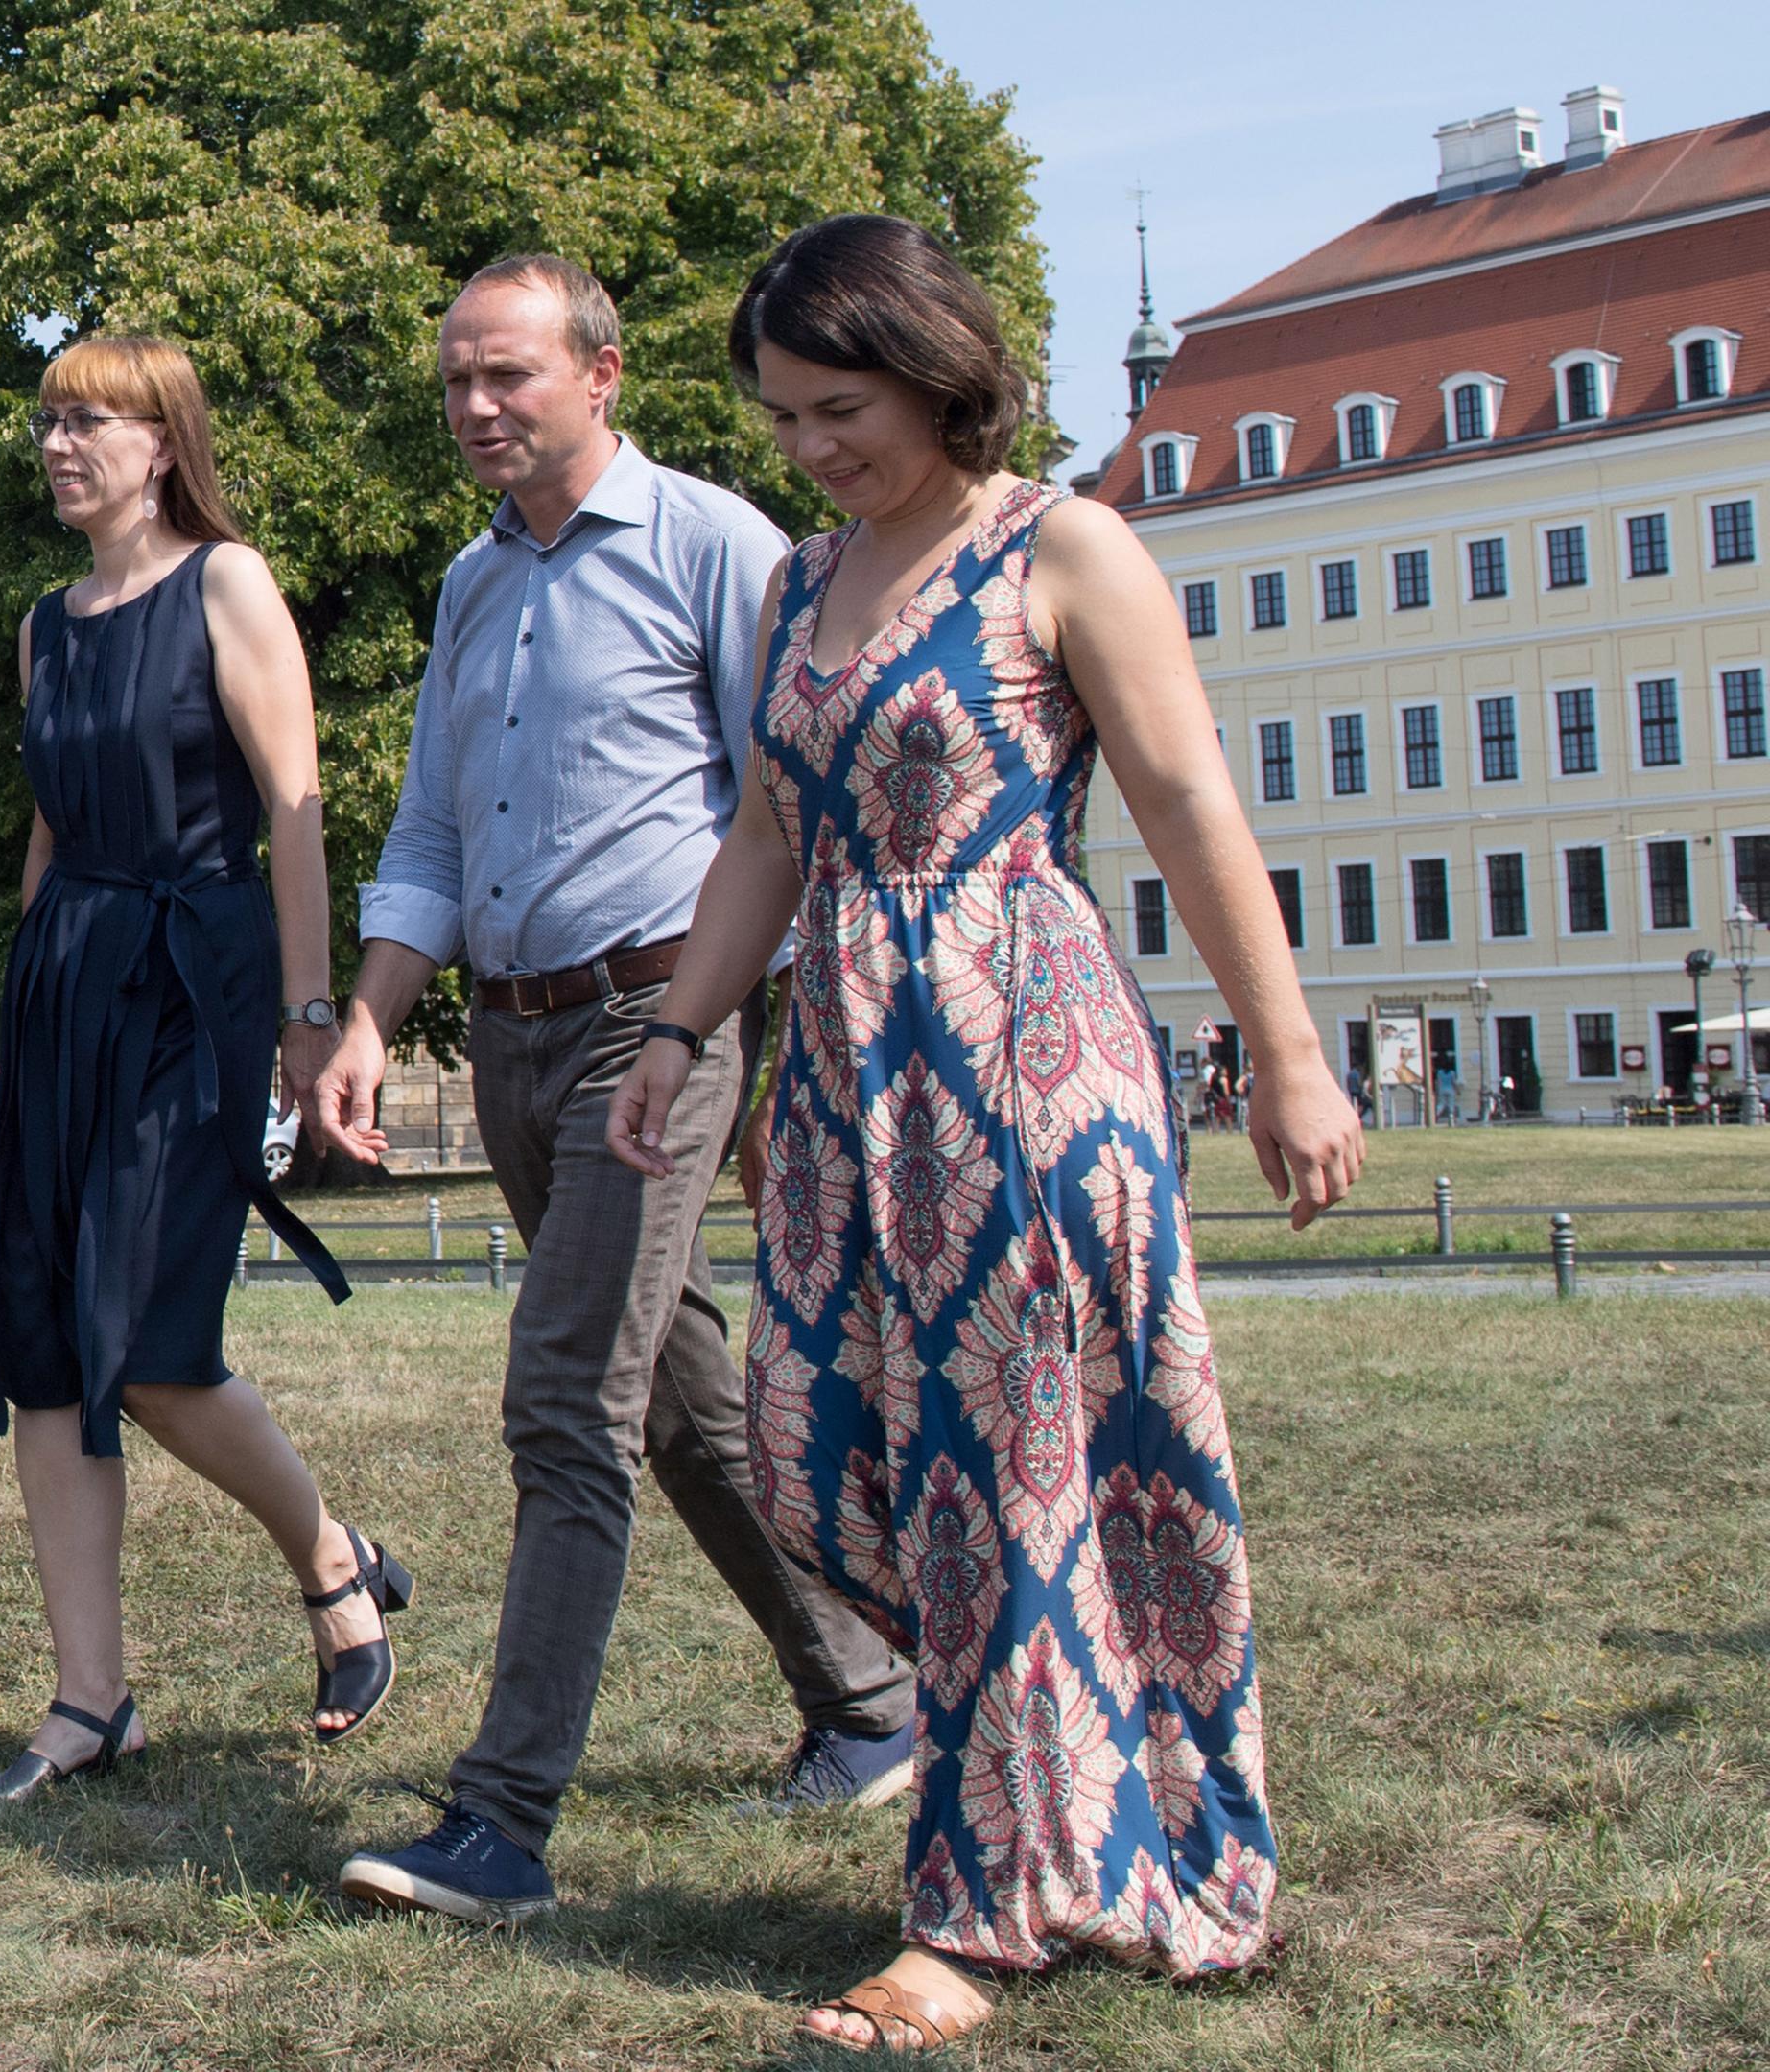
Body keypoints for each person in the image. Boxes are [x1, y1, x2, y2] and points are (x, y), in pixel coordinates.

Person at [609, 214, 1362, 2048]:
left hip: (1024, 1059)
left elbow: (1187, 803)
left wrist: (1287, 1054)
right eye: (783, 417)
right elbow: (771, 838)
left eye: (837, 406)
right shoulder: (798, 585)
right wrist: (680, 1023)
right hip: (843, 1082)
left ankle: (980, 1910)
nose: (810, 447)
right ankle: (1077, 1821)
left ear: (939, 368)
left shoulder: (1064, 546)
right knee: (828, 1441)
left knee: (1002, 1471)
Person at [315, 253, 918, 1926]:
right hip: (506, 1035)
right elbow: (433, 831)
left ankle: (502, 1826)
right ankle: (872, 1705)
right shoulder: (470, 582)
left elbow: (779, 809)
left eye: (506, 375)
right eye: (454, 382)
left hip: (653, 1024)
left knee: (566, 1396)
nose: (476, 408)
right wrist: (370, 1016)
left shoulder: (718, 545)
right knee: (673, 1395)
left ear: (604, 373)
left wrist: (711, 1031)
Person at [0, 337, 375, 1802]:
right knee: (45, 1345)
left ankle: (331, 1556)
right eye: (50, 420)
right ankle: (89, 1703)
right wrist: (30, 984)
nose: (60, 443)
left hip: (195, 977)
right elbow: (52, 823)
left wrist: (310, 1013)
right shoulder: (45, 624)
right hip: (67, 985)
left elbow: (296, 809)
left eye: (92, 421)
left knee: (144, 1338)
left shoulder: (228, 583)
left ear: (162, 440)